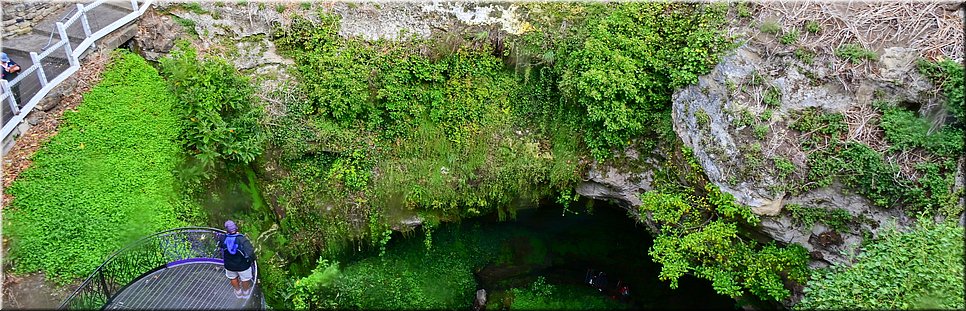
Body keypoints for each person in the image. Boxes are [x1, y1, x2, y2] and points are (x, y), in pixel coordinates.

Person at [218, 220, 257, 299]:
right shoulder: (242, 239)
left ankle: (238, 292)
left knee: (233, 278)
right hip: (243, 265)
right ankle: (246, 293)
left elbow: (221, 246)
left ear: (227, 230)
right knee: (245, 279)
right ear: (236, 228)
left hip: (229, 264)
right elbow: (250, 252)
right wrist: (252, 260)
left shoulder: (223, 238)